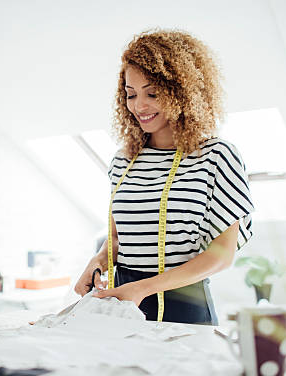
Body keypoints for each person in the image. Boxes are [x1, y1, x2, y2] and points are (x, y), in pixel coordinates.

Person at [74, 29, 254, 324]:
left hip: (184, 309)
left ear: (183, 92)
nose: (139, 106)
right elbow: (120, 237)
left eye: (152, 93)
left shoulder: (216, 156)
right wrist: (97, 262)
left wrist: (143, 288)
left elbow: (221, 256)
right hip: (124, 306)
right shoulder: (123, 161)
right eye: (131, 95)